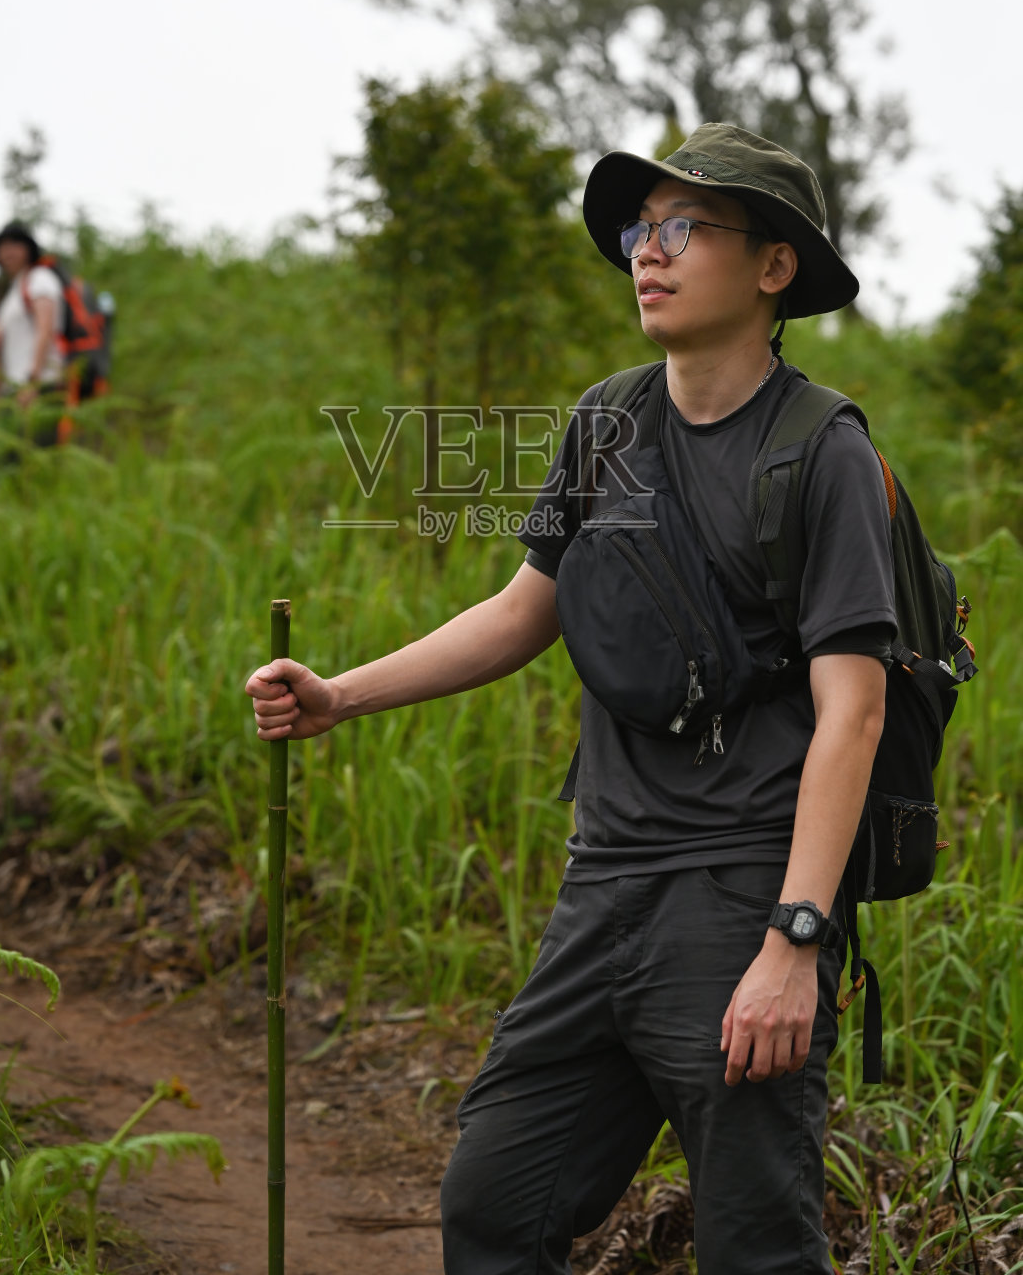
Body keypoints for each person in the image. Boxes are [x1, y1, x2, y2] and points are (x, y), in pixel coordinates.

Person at [246, 123, 895, 1274]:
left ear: (772, 266)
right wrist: (338, 694)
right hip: (602, 886)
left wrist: (795, 937)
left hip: (739, 892)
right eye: (640, 229)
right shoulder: (607, 419)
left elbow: (852, 710)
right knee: (494, 1206)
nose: (647, 251)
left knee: (755, 1246)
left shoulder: (820, 450)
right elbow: (519, 611)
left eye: (682, 226)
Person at [0, 221, 66, 416]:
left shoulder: (40, 278)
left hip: (40, 387)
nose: (7, 252)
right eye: (2, 247)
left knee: (36, 445)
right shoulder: (15, 291)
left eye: (15, 244)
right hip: (15, 388)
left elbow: (45, 330)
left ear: (28, 248)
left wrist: (33, 382)